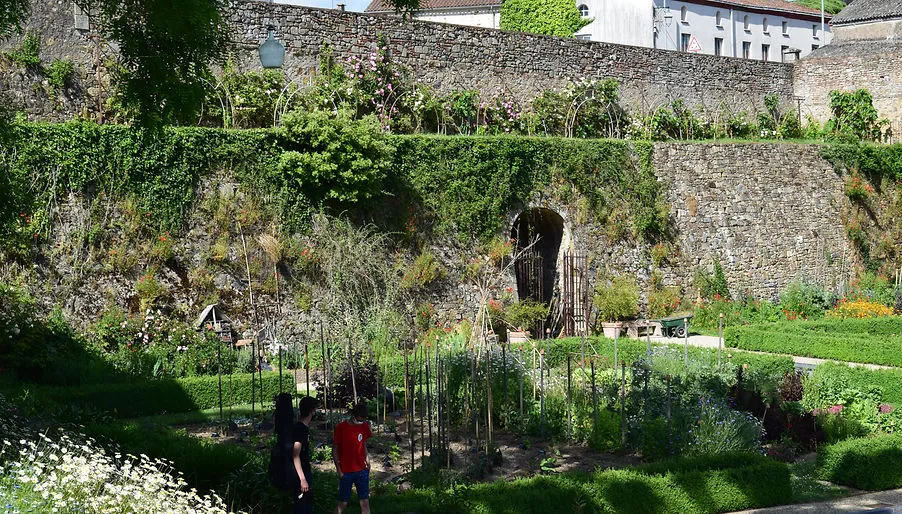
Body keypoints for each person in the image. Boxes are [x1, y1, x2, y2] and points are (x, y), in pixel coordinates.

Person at [333, 402, 372, 514]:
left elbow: (363, 444)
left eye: (363, 419)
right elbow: (334, 449)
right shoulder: (341, 427)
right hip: (346, 471)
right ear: (353, 416)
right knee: (343, 503)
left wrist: (368, 461)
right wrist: (339, 470)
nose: (361, 422)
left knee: (365, 502)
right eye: (359, 419)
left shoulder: (364, 426)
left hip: (362, 470)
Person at [292, 396, 318, 514]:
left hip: (303, 471)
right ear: (312, 410)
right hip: (301, 474)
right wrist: (302, 479)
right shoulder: (300, 429)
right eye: (315, 408)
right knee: (302, 507)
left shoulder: (302, 428)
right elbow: (295, 455)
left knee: (306, 505)